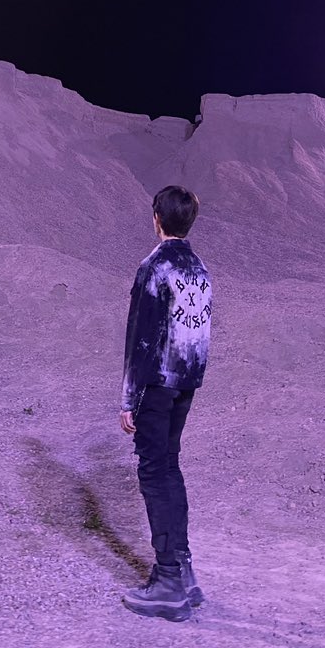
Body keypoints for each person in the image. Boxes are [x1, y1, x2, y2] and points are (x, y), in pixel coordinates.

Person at [119, 185, 213, 622]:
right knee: (170, 468)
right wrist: (189, 380)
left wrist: (128, 399)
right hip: (185, 382)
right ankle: (183, 568)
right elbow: (200, 330)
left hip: (156, 384)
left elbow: (141, 338)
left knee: (155, 473)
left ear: (156, 218)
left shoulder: (154, 268)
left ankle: (168, 580)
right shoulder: (200, 269)